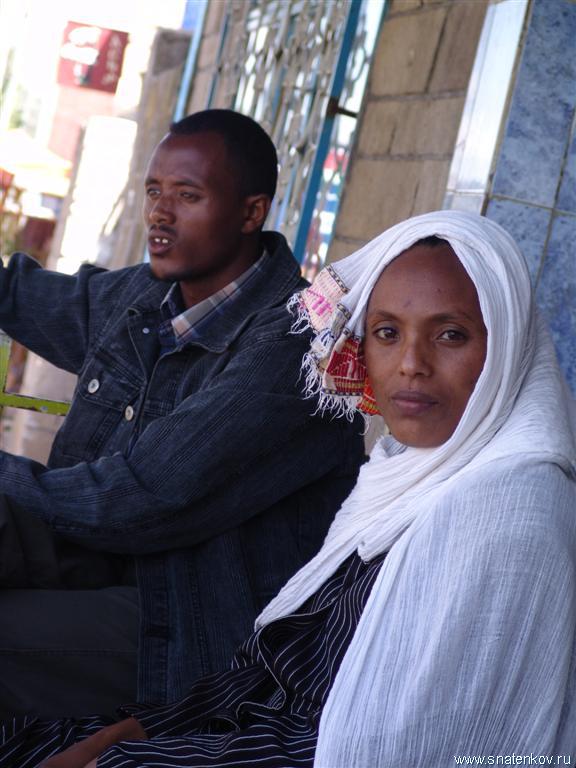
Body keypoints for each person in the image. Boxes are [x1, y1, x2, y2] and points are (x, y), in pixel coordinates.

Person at [2, 209, 574, 768]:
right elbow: (281, 669)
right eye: (387, 333)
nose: (411, 364)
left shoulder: (506, 519)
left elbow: (391, 750)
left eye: (451, 335)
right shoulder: (401, 477)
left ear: (507, 346)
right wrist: (146, 729)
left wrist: (132, 758)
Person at [0, 109, 365, 718]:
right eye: (153, 192)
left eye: (187, 196)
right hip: (92, 561)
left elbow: (140, 497)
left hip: (191, 632)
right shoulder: (143, 297)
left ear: (251, 212)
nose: (160, 214)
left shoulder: (292, 346)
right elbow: (19, 295)